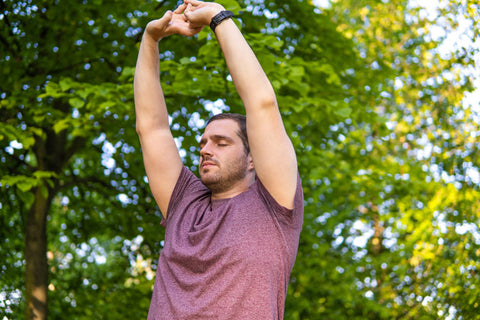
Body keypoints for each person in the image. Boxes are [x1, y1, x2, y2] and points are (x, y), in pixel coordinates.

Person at [133, 1, 303, 319]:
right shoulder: (184, 202)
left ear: (253, 159)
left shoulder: (276, 203)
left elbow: (262, 103)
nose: (206, 149)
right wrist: (150, 40)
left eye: (221, 142)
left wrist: (217, 18)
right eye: (203, 142)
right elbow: (151, 128)